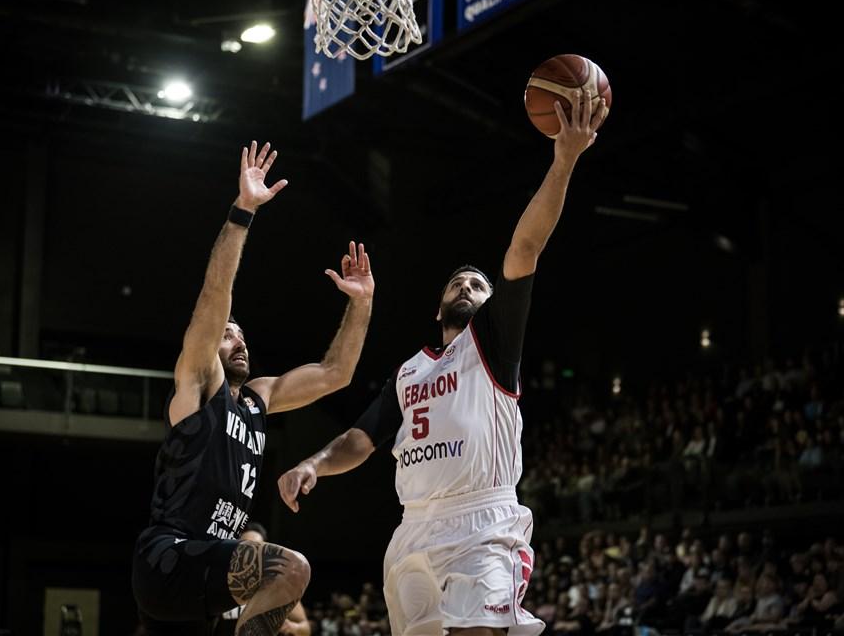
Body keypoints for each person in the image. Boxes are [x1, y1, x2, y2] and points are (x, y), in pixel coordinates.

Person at [278, 94, 607, 636]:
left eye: (478, 284)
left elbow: (525, 247)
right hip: (414, 530)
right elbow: (362, 439)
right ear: (438, 307)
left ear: (490, 303)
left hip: (483, 522)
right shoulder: (409, 372)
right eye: (457, 282)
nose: (467, 286)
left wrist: (564, 159)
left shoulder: (495, 341)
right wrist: (314, 463)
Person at [131, 140, 375, 636]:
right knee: (290, 569)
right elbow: (215, 296)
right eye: (227, 333)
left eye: (241, 333)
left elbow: (336, 373)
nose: (237, 338)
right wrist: (242, 211)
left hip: (213, 572)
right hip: (170, 557)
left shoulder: (260, 398)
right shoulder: (201, 384)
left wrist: (362, 304)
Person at [215, 523, 311, 636]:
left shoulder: (277, 586)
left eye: (257, 546)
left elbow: (305, 628)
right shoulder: (221, 581)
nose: (251, 552)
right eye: (246, 545)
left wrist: (292, 627)